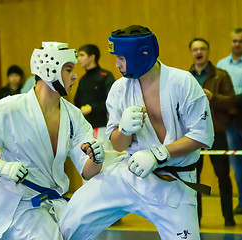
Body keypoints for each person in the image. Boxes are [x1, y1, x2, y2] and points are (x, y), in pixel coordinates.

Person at [59, 25, 214, 240]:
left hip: (174, 185)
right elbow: (118, 145)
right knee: (71, 219)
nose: (117, 64)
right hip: (129, 175)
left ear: (142, 54)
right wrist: (124, 130)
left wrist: (157, 154)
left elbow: (202, 136)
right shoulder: (119, 89)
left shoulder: (183, 82)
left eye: (121, 57)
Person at [0, 42, 104, 240]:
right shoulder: (11, 108)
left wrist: (96, 159)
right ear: (50, 71)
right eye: (68, 69)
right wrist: (0, 167)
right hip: (17, 203)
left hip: (52, 203)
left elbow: (87, 171)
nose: (75, 75)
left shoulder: (73, 116)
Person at [189, 38, 236, 226]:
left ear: (208, 51)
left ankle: (229, 219)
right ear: (191, 53)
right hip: (193, 136)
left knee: (223, 176)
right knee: (193, 178)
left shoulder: (221, 75)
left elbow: (232, 103)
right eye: (195, 49)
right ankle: (195, 220)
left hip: (217, 132)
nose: (199, 52)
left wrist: (213, 97)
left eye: (202, 48)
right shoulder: (185, 77)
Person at [74, 44, 118, 168]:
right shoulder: (82, 80)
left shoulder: (105, 76)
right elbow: (77, 103)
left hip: (103, 128)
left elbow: (113, 102)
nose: (79, 59)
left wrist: (92, 108)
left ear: (92, 57)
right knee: (87, 164)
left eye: (82, 55)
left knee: (106, 164)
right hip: (86, 130)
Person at [217, 28, 242, 215]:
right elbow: (221, 95)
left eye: (240, 41)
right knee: (236, 163)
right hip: (230, 121)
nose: (237, 44)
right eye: (235, 41)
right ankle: (241, 201)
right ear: (230, 42)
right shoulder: (222, 65)